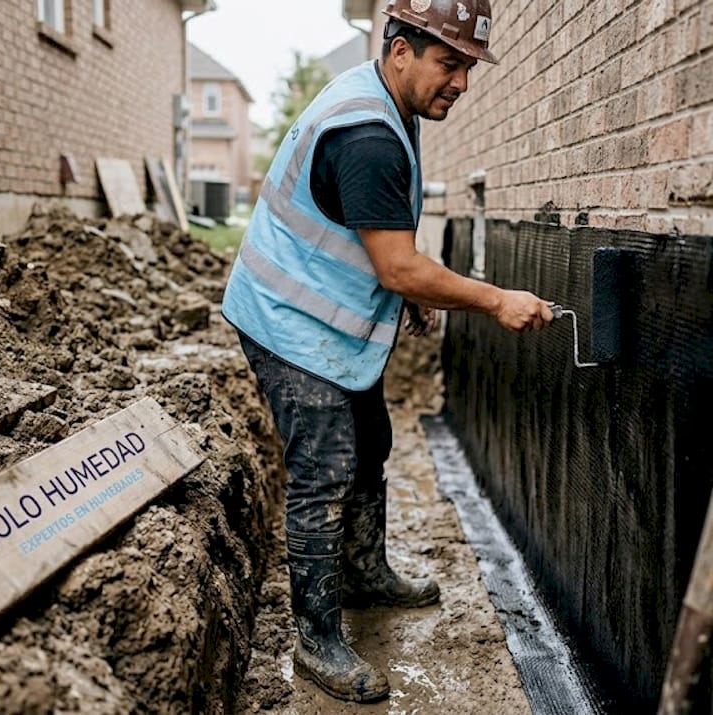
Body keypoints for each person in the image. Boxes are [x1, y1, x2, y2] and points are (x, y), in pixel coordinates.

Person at [222, 0, 552, 703]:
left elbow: (380, 242)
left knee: (370, 436)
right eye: (449, 63)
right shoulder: (368, 134)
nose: (460, 82)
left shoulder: (391, 102)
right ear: (400, 50)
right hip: (286, 317)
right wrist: (493, 299)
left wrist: (409, 285)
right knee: (326, 464)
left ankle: (365, 571)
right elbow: (397, 265)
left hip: (322, 313)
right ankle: (316, 639)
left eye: (467, 67)